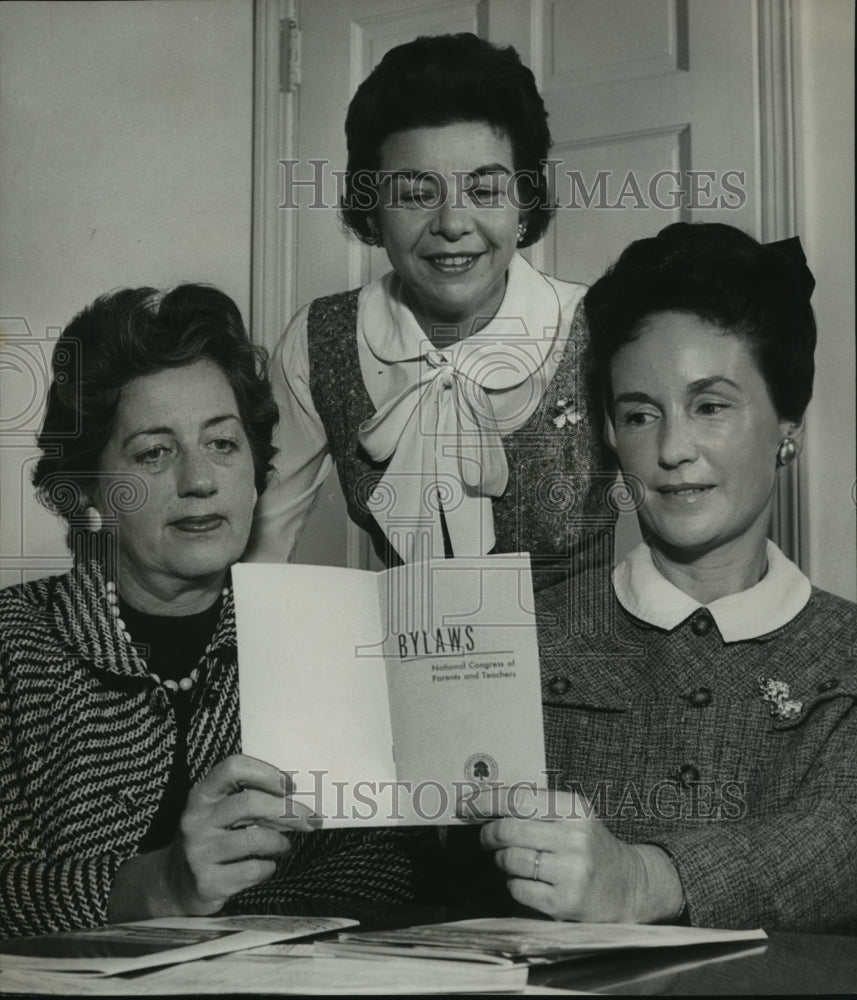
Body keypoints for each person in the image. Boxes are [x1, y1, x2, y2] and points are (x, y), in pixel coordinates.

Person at [0, 285, 429, 939]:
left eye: (223, 444)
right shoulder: (15, 642)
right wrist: (157, 887)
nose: (199, 479)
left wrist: (237, 913)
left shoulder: (319, 640)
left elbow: (384, 873)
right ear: (89, 493)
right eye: (154, 452)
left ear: (256, 471)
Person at [466, 223, 857, 932]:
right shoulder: (517, 638)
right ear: (611, 436)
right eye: (639, 414)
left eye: (710, 406)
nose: (672, 450)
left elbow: (843, 836)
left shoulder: (846, 651)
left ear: (787, 426)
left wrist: (649, 878)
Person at [246, 32, 614, 585]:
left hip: (591, 665)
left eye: (485, 192)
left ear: (525, 202)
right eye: (416, 194)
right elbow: (262, 557)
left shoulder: (601, 327)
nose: (452, 224)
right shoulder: (319, 340)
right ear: (371, 211)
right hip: (404, 664)